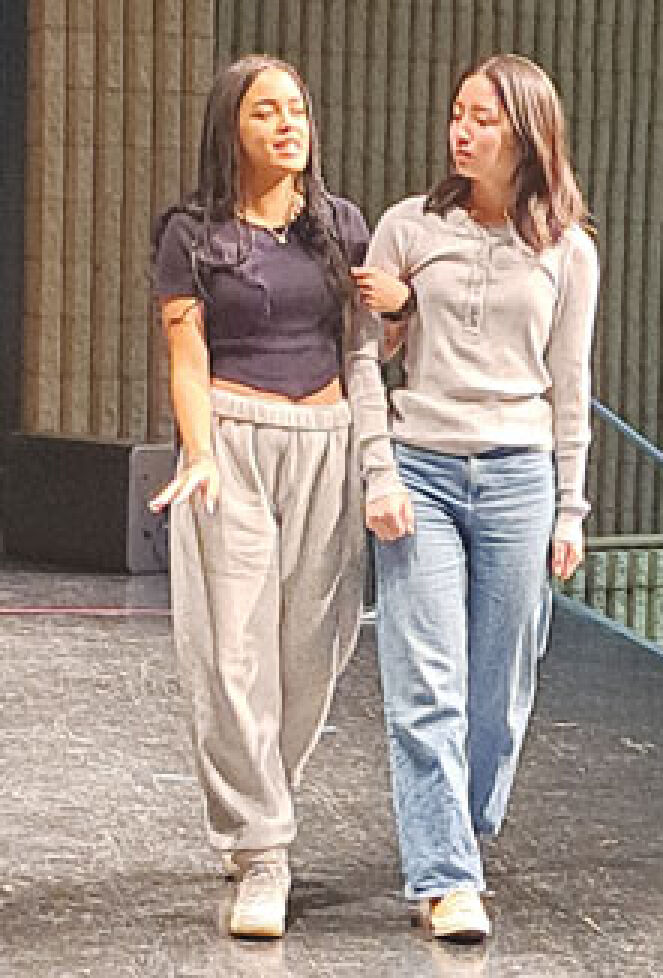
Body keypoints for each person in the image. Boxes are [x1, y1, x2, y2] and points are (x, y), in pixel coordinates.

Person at [149, 54, 409, 938]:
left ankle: (261, 809)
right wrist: (201, 451)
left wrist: (401, 318)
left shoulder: (340, 226)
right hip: (235, 443)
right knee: (234, 658)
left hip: (327, 444)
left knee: (312, 654)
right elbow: (186, 358)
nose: (288, 124)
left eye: (296, 109)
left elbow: (370, 349)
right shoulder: (192, 234)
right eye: (266, 112)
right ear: (233, 129)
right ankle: (264, 851)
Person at [355, 53, 598, 940]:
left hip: (520, 475)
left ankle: (461, 822)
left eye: (483, 118)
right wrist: (379, 468)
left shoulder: (568, 250)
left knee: (499, 691)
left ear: (528, 134)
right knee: (427, 683)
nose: (463, 130)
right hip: (419, 464)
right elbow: (363, 362)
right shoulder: (406, 228)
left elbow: (570, 386)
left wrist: (571, 508)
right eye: (458, 113)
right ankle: (446, 874)